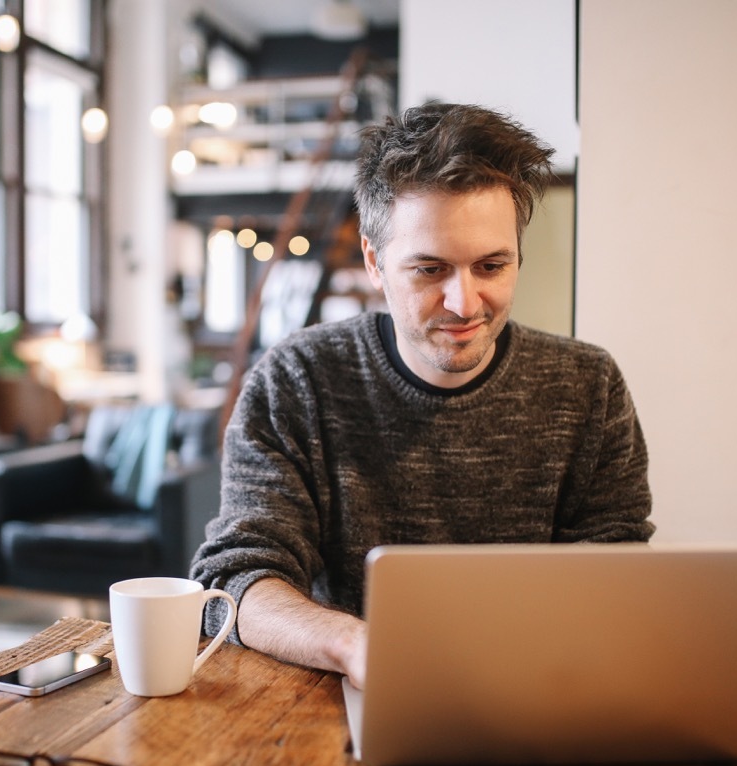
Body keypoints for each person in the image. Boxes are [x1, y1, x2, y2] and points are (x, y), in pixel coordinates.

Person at [190, 102, 653, 690]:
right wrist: (352, 644)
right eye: (430, 270)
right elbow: (233, 579)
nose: (465, 303)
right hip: (357, 696)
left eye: (491, 265)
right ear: (374, 260)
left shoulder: (589, 386)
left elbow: (617, 569)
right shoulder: (298, 380)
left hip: (545, 689)